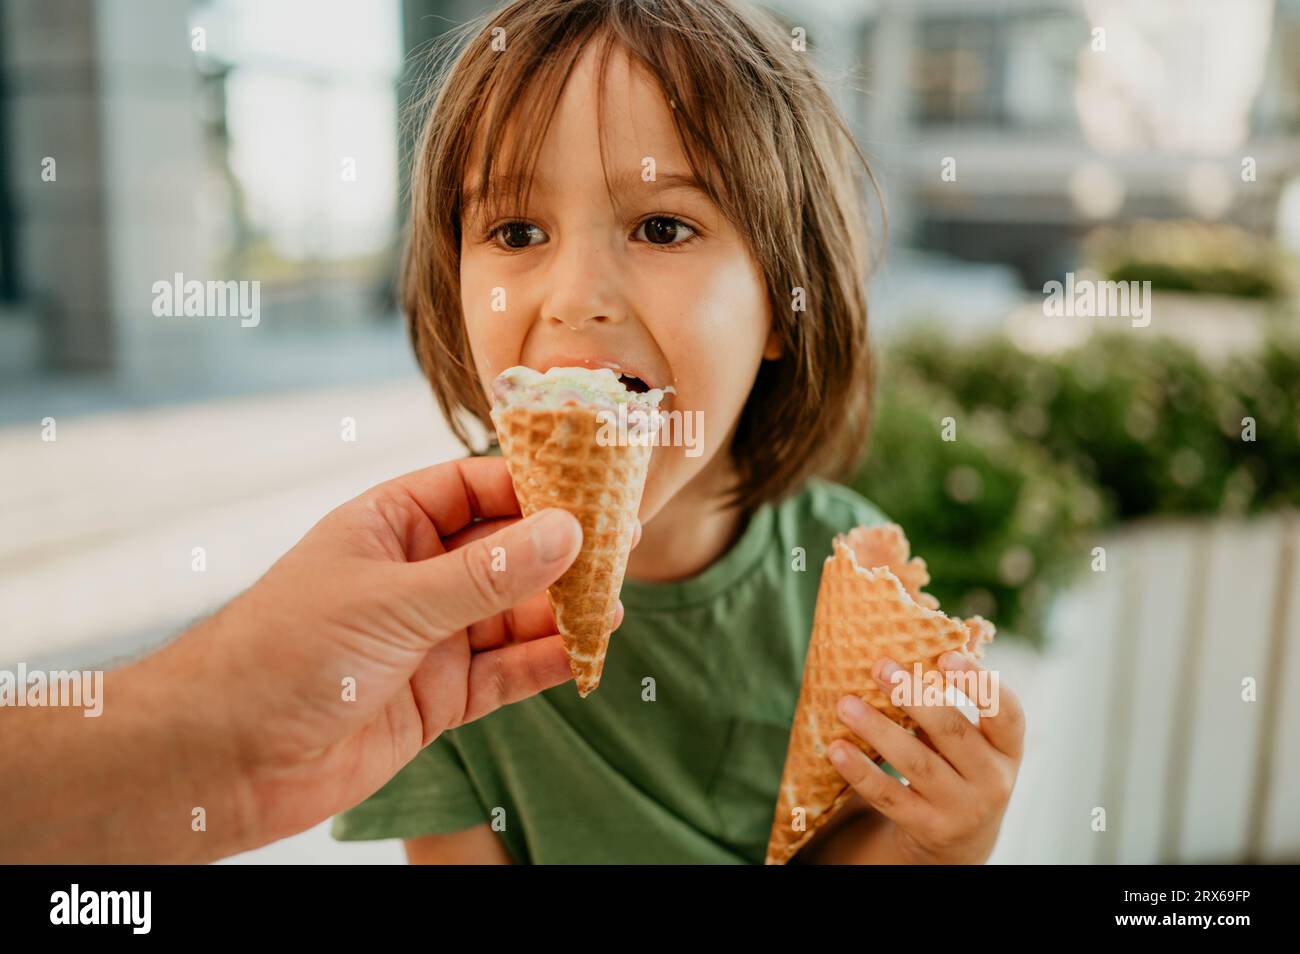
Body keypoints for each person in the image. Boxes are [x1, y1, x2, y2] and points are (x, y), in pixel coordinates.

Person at [333, 0, 1025, 864]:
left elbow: (835, 843)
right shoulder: (431, 602)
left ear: (784, 299)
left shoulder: (846, 571)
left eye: (662, 227)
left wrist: (938, 844)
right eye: (516, 231)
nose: (578, 294)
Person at [0, 457, 608, 864]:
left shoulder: (422, 673)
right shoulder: (419, 674)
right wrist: (230, 745)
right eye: (519, 250)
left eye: (662, 249)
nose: (579, 300)